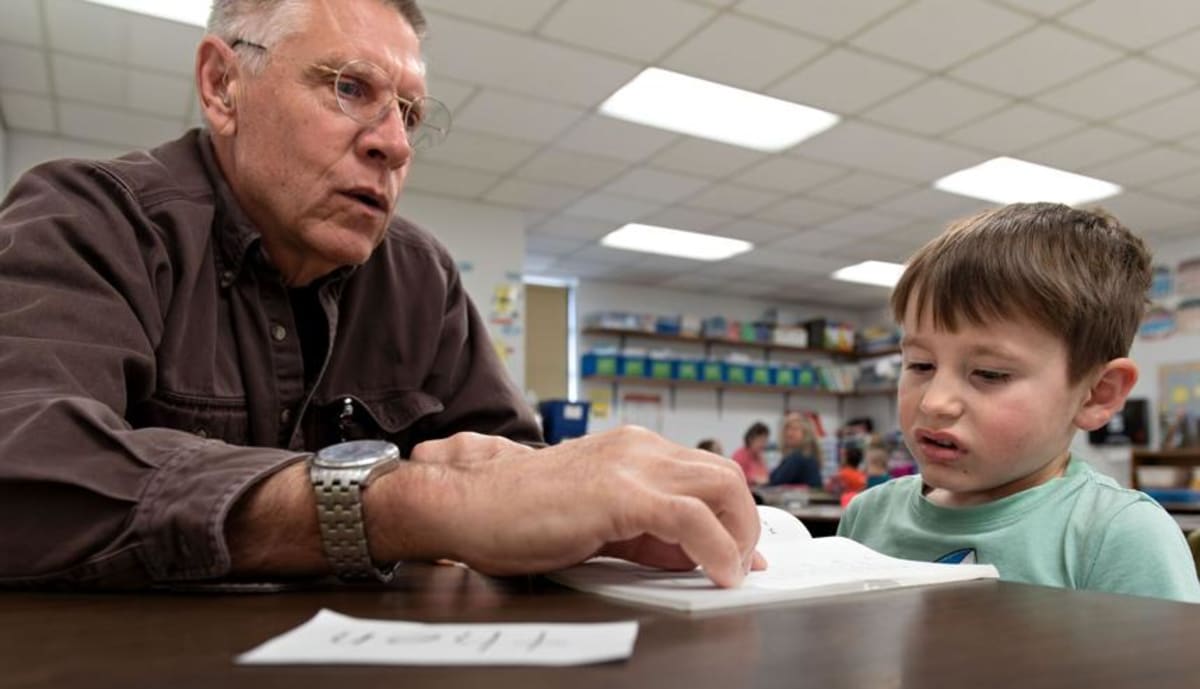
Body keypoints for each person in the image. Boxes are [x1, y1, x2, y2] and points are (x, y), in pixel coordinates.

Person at [0, 0, 761, 590]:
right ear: (222, 84)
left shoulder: (421, 278)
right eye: (349, 88)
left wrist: (588, 514)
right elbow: (24, 468)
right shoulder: (88, 219)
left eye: (409, 114)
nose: (394, 144)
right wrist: (408, 503)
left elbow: (515, 472)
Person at [838, 203, 1200, 603]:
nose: (935, 402)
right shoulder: (867, 515)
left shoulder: (1117, 534)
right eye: (921, 364)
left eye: (990, 373)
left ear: (1098, 393)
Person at [769, 412, 824, 488]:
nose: (789, 433)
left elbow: (776, 481)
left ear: (806, 433)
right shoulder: (808, 453)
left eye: (794, 429)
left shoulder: (798, 457)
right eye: (787, 429)